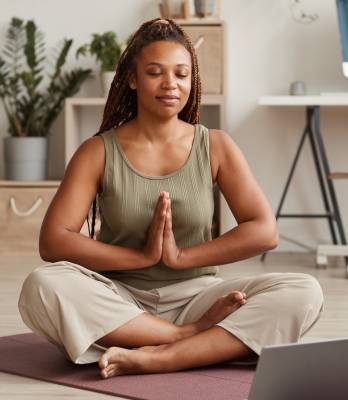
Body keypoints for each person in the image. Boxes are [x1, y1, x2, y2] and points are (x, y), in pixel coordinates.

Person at [18, 18, 323, 379]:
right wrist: (141, 257)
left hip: (199, 298)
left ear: (191, 82)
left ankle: (162, 357)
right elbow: (53, 241)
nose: (171, 84)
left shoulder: (217, 146)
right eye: (155, 72)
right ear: (132, 79)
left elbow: (264, 230)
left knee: (304, 291)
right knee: (43, 285)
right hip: (120, 300)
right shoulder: (97, 151)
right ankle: (187, 340)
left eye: (181, 74)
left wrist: (180, 258)